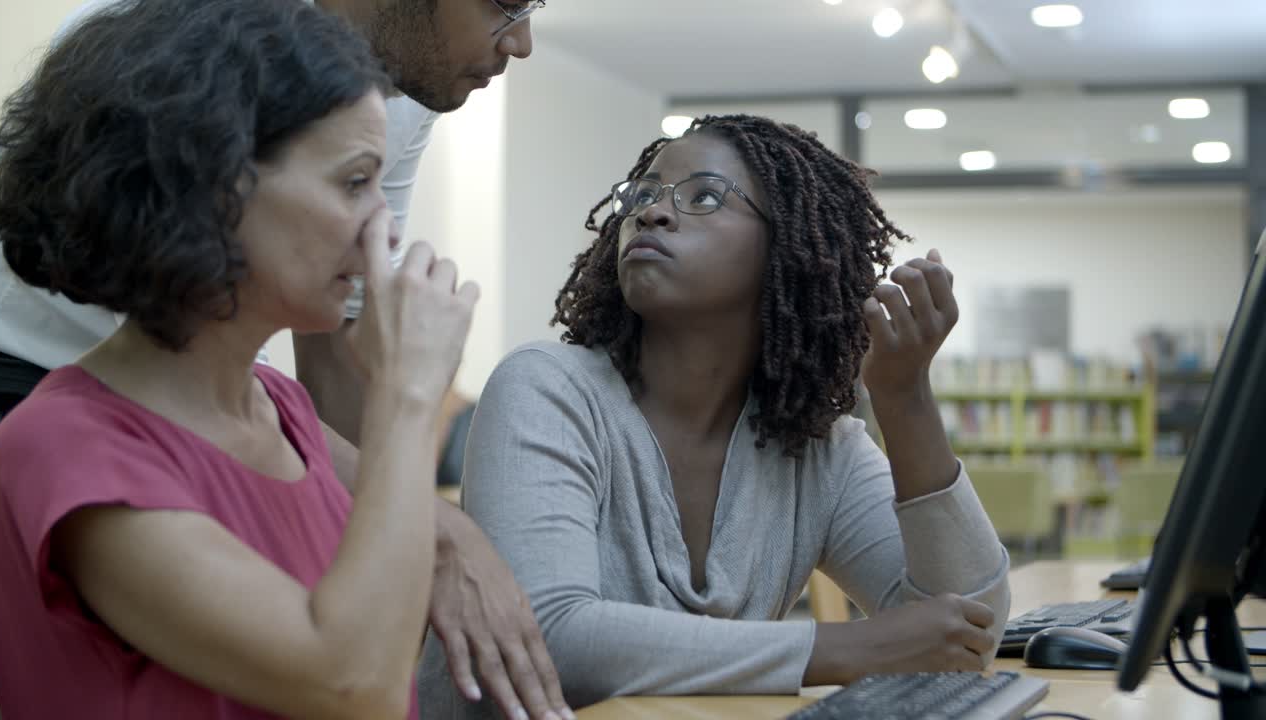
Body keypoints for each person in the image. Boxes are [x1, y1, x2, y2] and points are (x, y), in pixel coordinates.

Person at [0, 0, 570, 719]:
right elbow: (353, 685)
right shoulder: (61, 446)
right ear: (213, 184)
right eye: (354, 183)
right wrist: (407, 398)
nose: (383, 230)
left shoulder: (286, 414)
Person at [419, 115, 1012, 714]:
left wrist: (904, 394)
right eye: (643, 195)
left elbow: (970, 627)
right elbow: (551, 637)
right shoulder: (546, 389)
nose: (651, 213)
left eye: (704, 197)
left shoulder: (815, 449)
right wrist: (846, 648)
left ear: (791, 248)